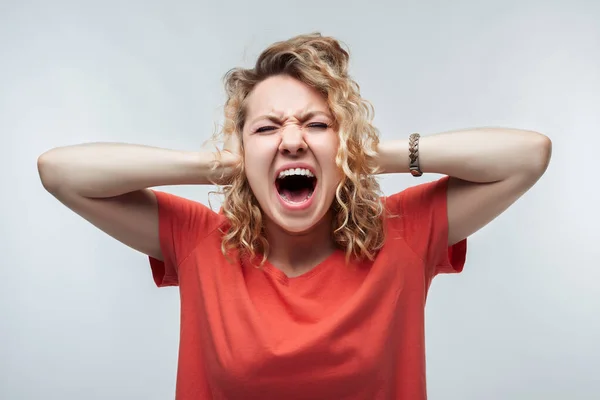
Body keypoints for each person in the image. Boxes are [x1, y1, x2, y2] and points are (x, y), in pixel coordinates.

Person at [37, 33, 552, 399]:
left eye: (316, 123)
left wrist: (369, 155)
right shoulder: (198, 241)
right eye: (266, 129)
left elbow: (527, 156)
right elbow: (61, 172)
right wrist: (216, 166)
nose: (291, 140)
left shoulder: (401, 237)